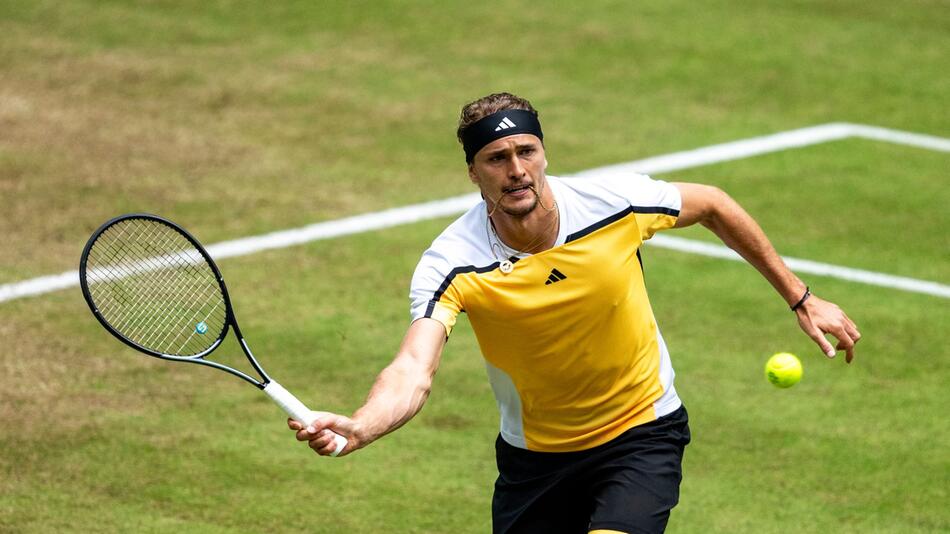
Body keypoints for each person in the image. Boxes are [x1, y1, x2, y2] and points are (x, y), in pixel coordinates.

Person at [289, 92, 861, 533]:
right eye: (496, 158)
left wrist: (800, 297)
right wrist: (364, 423)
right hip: (534, 462)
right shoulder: (453, 263)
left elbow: (712, 203)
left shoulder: (611, 205)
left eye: (526, 151)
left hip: (642, 431)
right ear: (473, 173)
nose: (516, 169)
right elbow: (415, 368)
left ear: (542, 154)